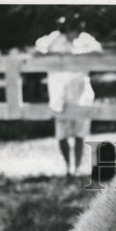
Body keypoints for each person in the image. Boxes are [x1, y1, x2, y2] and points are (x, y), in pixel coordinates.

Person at [34, 15, 103, 176]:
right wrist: (55, 57)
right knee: (62, 133)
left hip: (80, 89)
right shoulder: (54, 38)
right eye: (72, 28)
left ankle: (77, 167)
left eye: (78, 28)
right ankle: (68, 166)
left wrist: (79, 56)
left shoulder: (85, 39)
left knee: (80, 131)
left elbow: (99, 51)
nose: (76, 32)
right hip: (60, 91)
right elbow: (38, 50)